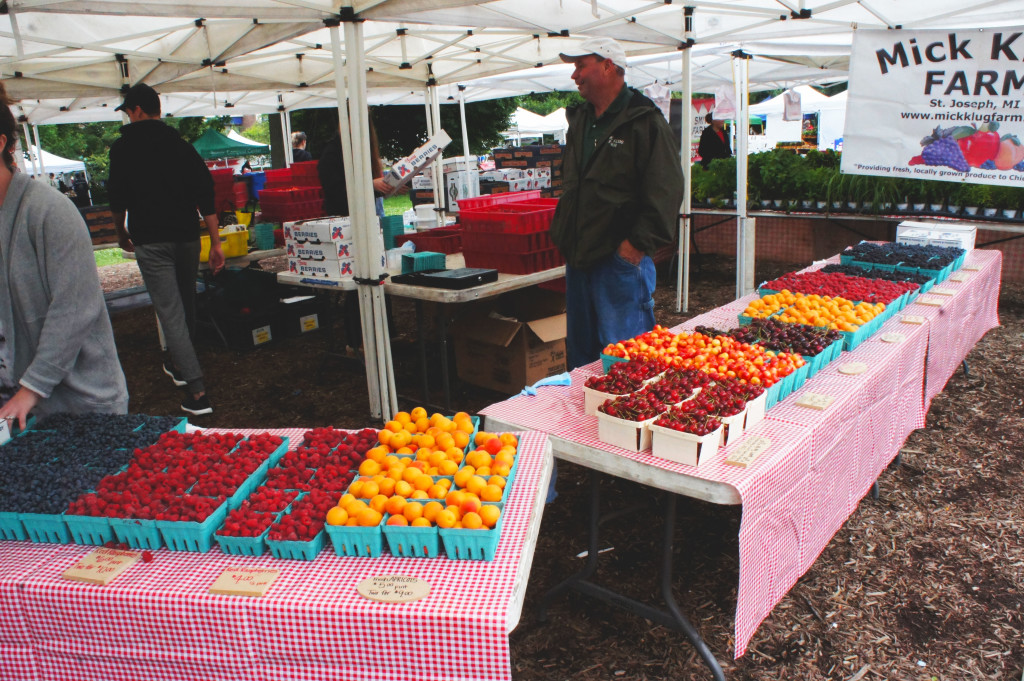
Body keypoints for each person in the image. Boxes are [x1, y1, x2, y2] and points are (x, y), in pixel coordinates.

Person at [0, 82, 129, 430]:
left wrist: (31, 388)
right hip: (13, 407)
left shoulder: (48, 212)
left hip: (77, 404)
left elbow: (74, 309)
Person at [552, 37, 685, 370]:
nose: (575, 76)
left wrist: (635, 246)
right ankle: (585, 420)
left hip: (620, 259)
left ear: (607, 65)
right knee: (581, 358)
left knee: (628, 357)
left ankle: (631, 420)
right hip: (580, 255)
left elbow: (666, 189)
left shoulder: (645, 121)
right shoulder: (581, 120)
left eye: (581, 65)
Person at [107, 82, 224, 416]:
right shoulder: (181, 145)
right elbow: (206, 194)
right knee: (185, 306)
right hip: (187, 237)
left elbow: (116, 199)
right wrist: (215, 242)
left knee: (170, 313)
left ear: (138, 110)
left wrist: (120, 232)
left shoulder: (122, 148)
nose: (128, 117)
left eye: (128, 111)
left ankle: (198, 392)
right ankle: (178, 363)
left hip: (151, 240)